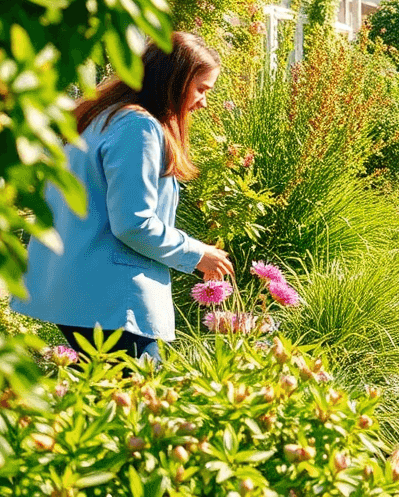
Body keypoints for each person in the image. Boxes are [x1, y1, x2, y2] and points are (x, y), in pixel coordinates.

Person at [13, 33, 234, 362]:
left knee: (102, 398)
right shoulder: (137, 128)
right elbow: (134, 223)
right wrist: (197, 254)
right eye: (201, 89)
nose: (203, 102)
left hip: (77, 287)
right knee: (138, 403)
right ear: (173, 80)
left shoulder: (101, 116)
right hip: (111, 296)